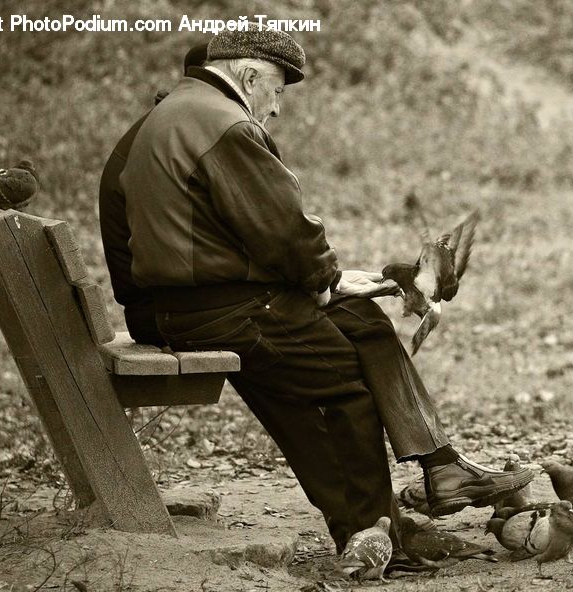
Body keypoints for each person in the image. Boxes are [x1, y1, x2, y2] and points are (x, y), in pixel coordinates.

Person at [99, 30, 533, 563]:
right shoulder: (224, 124)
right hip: (218, 309)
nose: (277, 108)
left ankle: (437, 466)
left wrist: (330, 284)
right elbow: (283, 230)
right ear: (249, 77)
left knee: (363, 318)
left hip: (209, 298)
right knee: (339, 382)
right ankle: (370, 534)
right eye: (277, 90)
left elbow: (238, 233)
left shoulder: (186, 113)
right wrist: (322, 278)